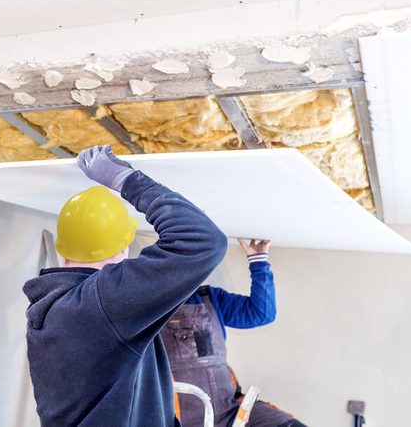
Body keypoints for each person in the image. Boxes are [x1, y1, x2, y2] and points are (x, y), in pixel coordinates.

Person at [23, 145, 227, 426]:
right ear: (124, 244)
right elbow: (202, 241)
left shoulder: (55, 307)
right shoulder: (102, 305)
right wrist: (125, 179)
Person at [162, 239, 306, 427]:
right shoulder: (146, 307)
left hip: (231, 412)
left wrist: (258, 259)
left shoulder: (210, 297)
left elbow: (261, 313)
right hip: (183, 420)